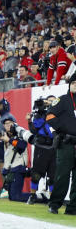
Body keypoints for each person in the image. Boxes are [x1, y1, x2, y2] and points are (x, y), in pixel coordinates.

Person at [45, 74, 76, 215]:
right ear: (69, 84)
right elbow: (49, 116)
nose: (75, 84)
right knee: (62, 176)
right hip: (66, 143)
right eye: (73, 82)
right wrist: (63, 129)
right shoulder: (62, 100)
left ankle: (73, 208)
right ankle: (54, 204)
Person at [26, 97, 55, 204]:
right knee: (36, 174)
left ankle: (52, 199)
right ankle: (32, 195)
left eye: (52, 101)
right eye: (47, 101)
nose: (48, 103)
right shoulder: (39, 115)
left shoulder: (58, 115)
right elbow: (34, 130)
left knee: (53, 176)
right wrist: (29, 121)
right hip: (41, 147)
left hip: (53, 148)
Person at [0, 117, 30, 202]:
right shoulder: (4, 136)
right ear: (4, 126)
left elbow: (22, 145)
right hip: (10, 169)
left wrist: (9, 140)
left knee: (16, 196)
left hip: (18, 167)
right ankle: (34, 196)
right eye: (6, 124)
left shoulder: (20, 133)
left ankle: (37, 196)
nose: (8, 125)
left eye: (10, 123)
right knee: (11, 196)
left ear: (14, 124)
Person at [0, 99, 16, 196]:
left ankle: (7, 189)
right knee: (0, 167)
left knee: (4, 168)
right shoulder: (0, 118)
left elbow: (12, 131)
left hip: (5, 146)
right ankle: (5, 189)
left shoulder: (8, 117)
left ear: (5, 106)